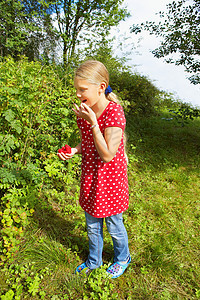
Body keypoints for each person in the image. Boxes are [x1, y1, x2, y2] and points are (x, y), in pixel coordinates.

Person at [57, 60, 131, 278]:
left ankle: (122, 258)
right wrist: (74, 150)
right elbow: (90, 144)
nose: (78, 94)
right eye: (76, 89)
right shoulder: (86, 113)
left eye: (82, 89)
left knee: (115, 226)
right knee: (92, 224)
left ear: (101, 87)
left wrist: (93, 123)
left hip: (111, 179)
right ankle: (94, 260)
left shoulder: (114, 113)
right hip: (91, 175)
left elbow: (107, 154)